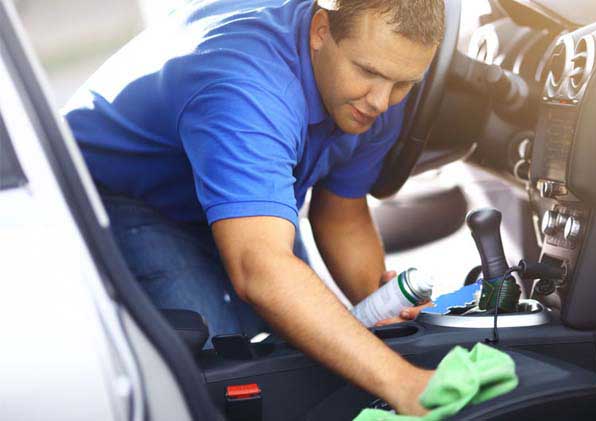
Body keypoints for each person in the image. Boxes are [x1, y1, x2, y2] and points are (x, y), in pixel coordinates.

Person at [63, 0, 445, 415]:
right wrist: (403, 381)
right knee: (226, 381)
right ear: (321, 30)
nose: (381, 102)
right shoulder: (249, 88)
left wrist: (387, 309)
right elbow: (260, 269)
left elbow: (342, 215)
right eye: (368, 73)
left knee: (310, 356)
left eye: (403, 84)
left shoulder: (381, 74)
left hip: (237, 204)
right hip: (119, 196)